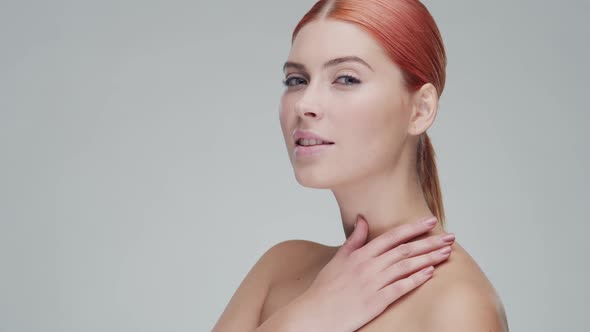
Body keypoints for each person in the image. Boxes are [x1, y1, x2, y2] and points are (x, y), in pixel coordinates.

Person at [212, 0, 508, 331]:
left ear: (420, 110)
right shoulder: (279, 269)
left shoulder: (456, 307)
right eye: (296, 80)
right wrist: (310, 316)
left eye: (347, 79)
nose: (306, 104)